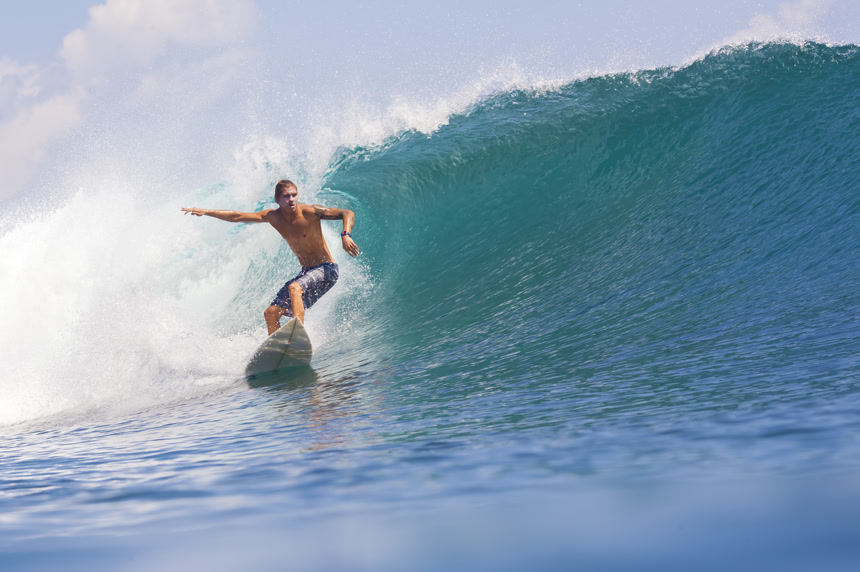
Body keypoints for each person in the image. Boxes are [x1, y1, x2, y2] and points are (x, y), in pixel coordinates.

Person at [182, 179, 359, 335]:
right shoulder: (273, 217)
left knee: (295, 287)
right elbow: (237, 216)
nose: (291, 200)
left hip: (327, 269)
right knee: (271, 313)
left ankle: (297, 335)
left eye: (294, 195)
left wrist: (345, 234)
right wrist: (205, 211)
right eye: (286, 196)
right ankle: (279, 349)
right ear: (277, 199)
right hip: (307, 271)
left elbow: (347, 213)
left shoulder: (310, 212)